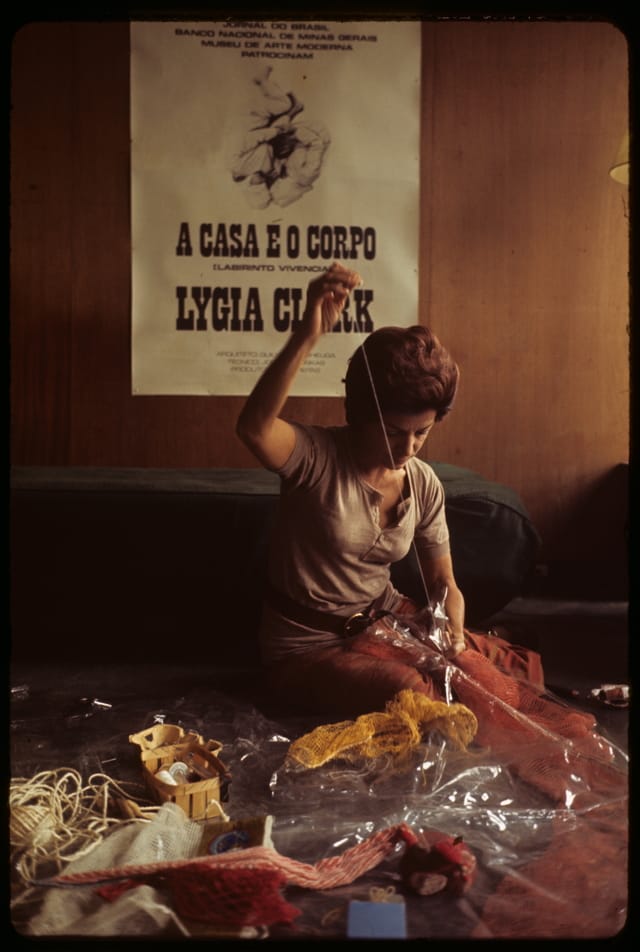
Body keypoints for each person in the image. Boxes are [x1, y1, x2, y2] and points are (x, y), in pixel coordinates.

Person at [237, 262, 541, 715]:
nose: (409, 447)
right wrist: (308, 333)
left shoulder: (422, 481)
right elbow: (255, 428)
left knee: (487, 678)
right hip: (306, 650)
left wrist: (451, 627)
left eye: (423, 432)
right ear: (361, 413)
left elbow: (444, 583)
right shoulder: (316, 457)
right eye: (396, 431)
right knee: (416, 696)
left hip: (383, 623)